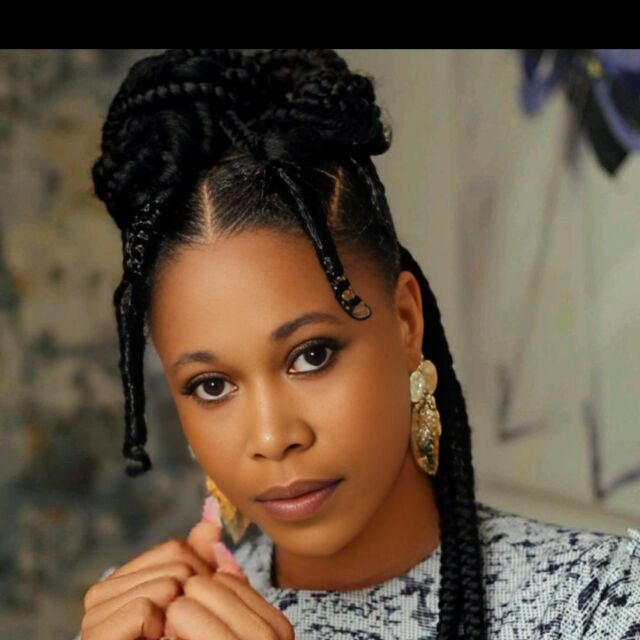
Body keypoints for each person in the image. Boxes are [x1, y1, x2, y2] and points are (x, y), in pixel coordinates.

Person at [74, 49, 640, 639]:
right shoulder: (149, 623)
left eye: (311, 355)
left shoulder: (603, 602)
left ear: (406, 322)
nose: (272, 437)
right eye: (212, 385)